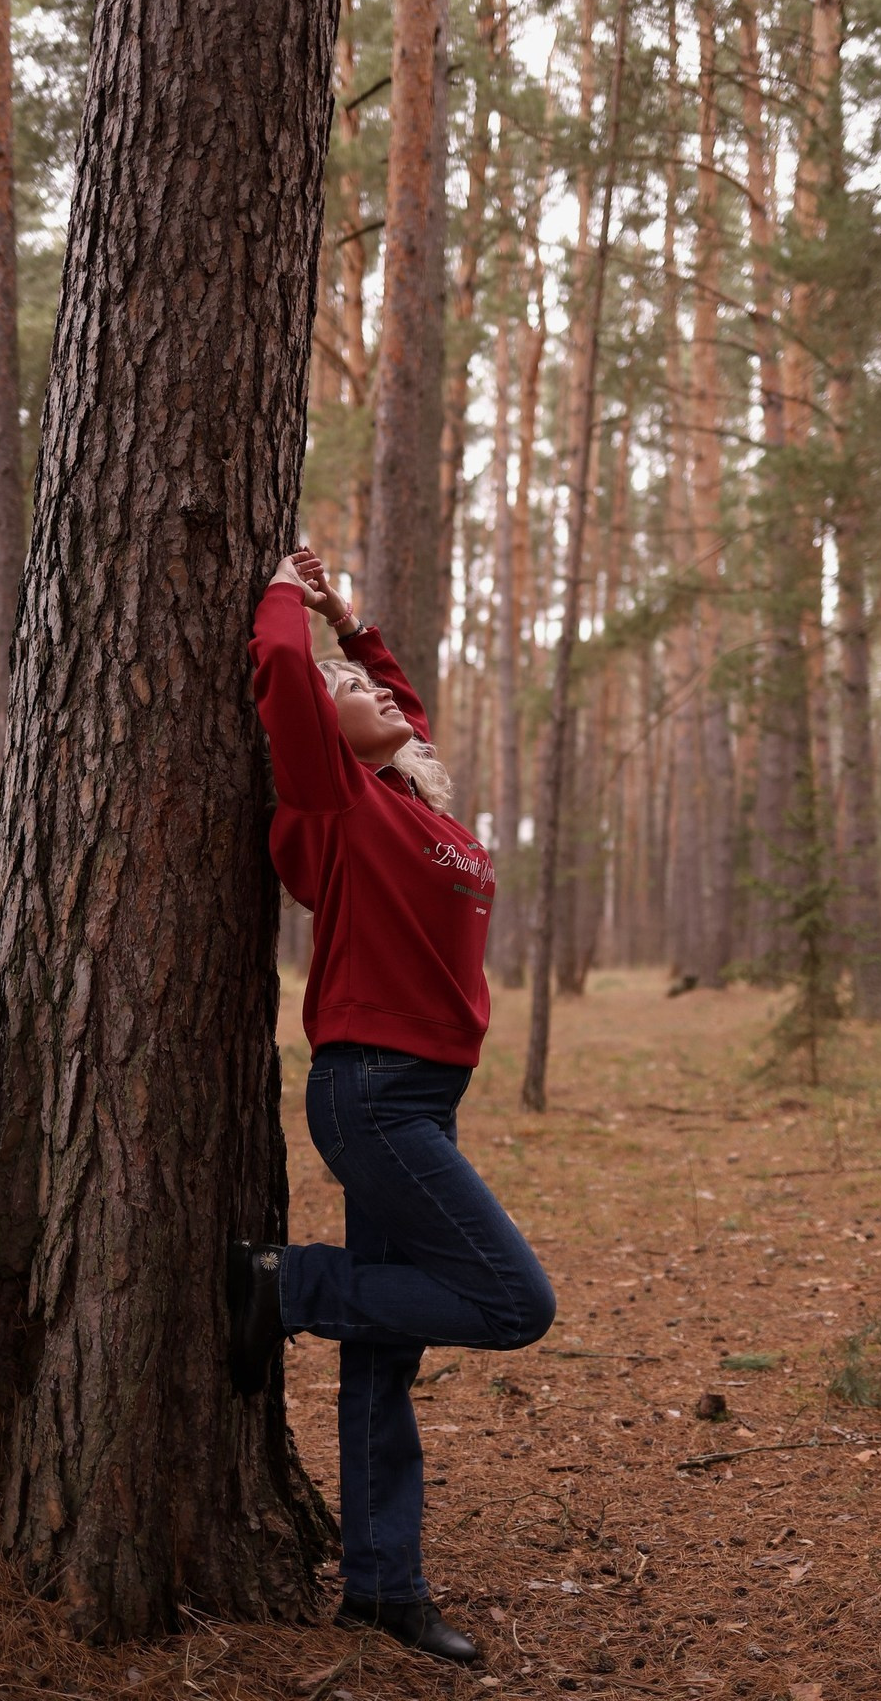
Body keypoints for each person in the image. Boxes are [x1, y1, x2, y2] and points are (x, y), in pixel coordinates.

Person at [229, 547, 555, 1666]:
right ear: (323, 731)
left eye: (366, 684)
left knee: (386, 1348)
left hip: (422, 1096)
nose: (364, 688)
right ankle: (286, 1284)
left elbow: (397, 704)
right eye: (345, 689)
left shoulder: (411, 799)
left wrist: (350, 625)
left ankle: (382, 1586)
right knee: (512, 1301)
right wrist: (285, 593)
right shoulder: (335, 798)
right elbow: (282, 671)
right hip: (373, 1090)